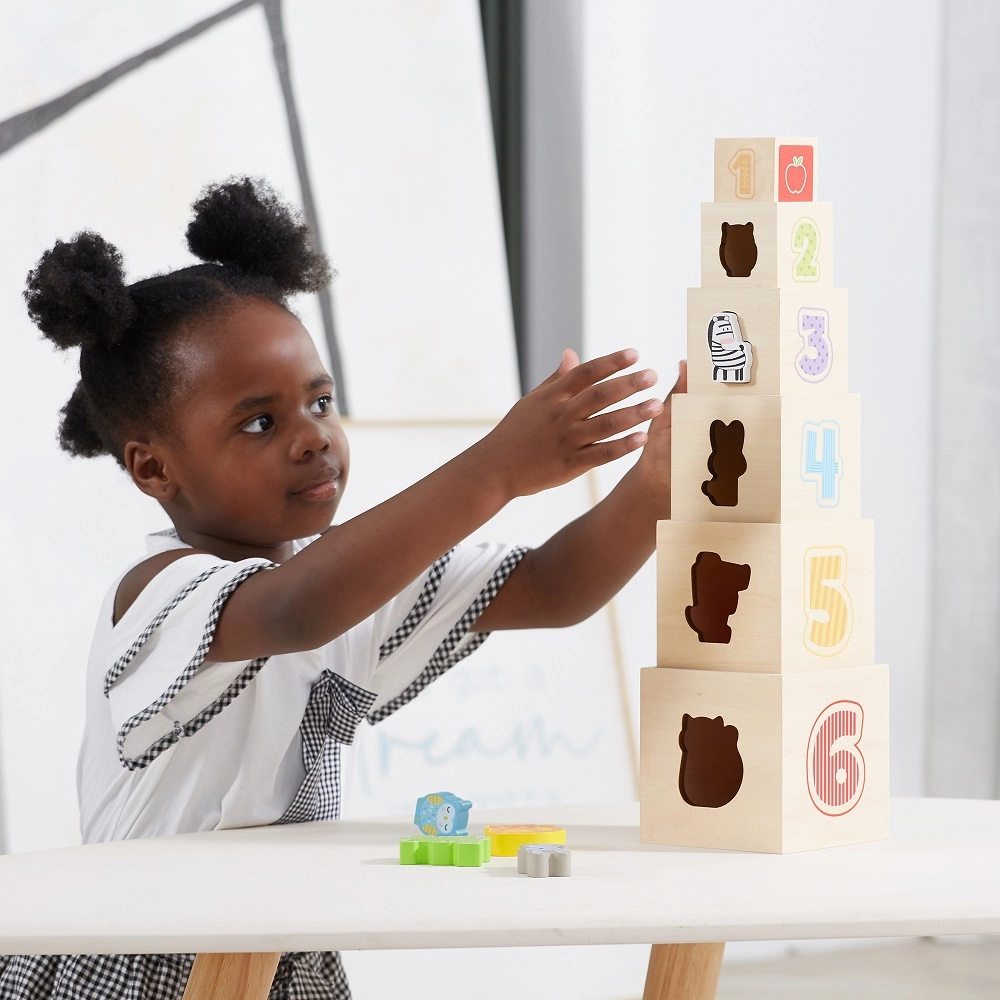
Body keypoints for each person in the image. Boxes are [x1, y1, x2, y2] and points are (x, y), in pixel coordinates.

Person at [2, 177, 685, 999]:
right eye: (260, 422)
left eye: (320, 402)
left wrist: (654, 488)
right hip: (137, 960)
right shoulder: (160, 593)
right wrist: (498, 467)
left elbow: (549, 587)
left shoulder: (349, 583)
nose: (312, 439)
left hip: (284, 955)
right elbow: (296, 612)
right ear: (154, 468)